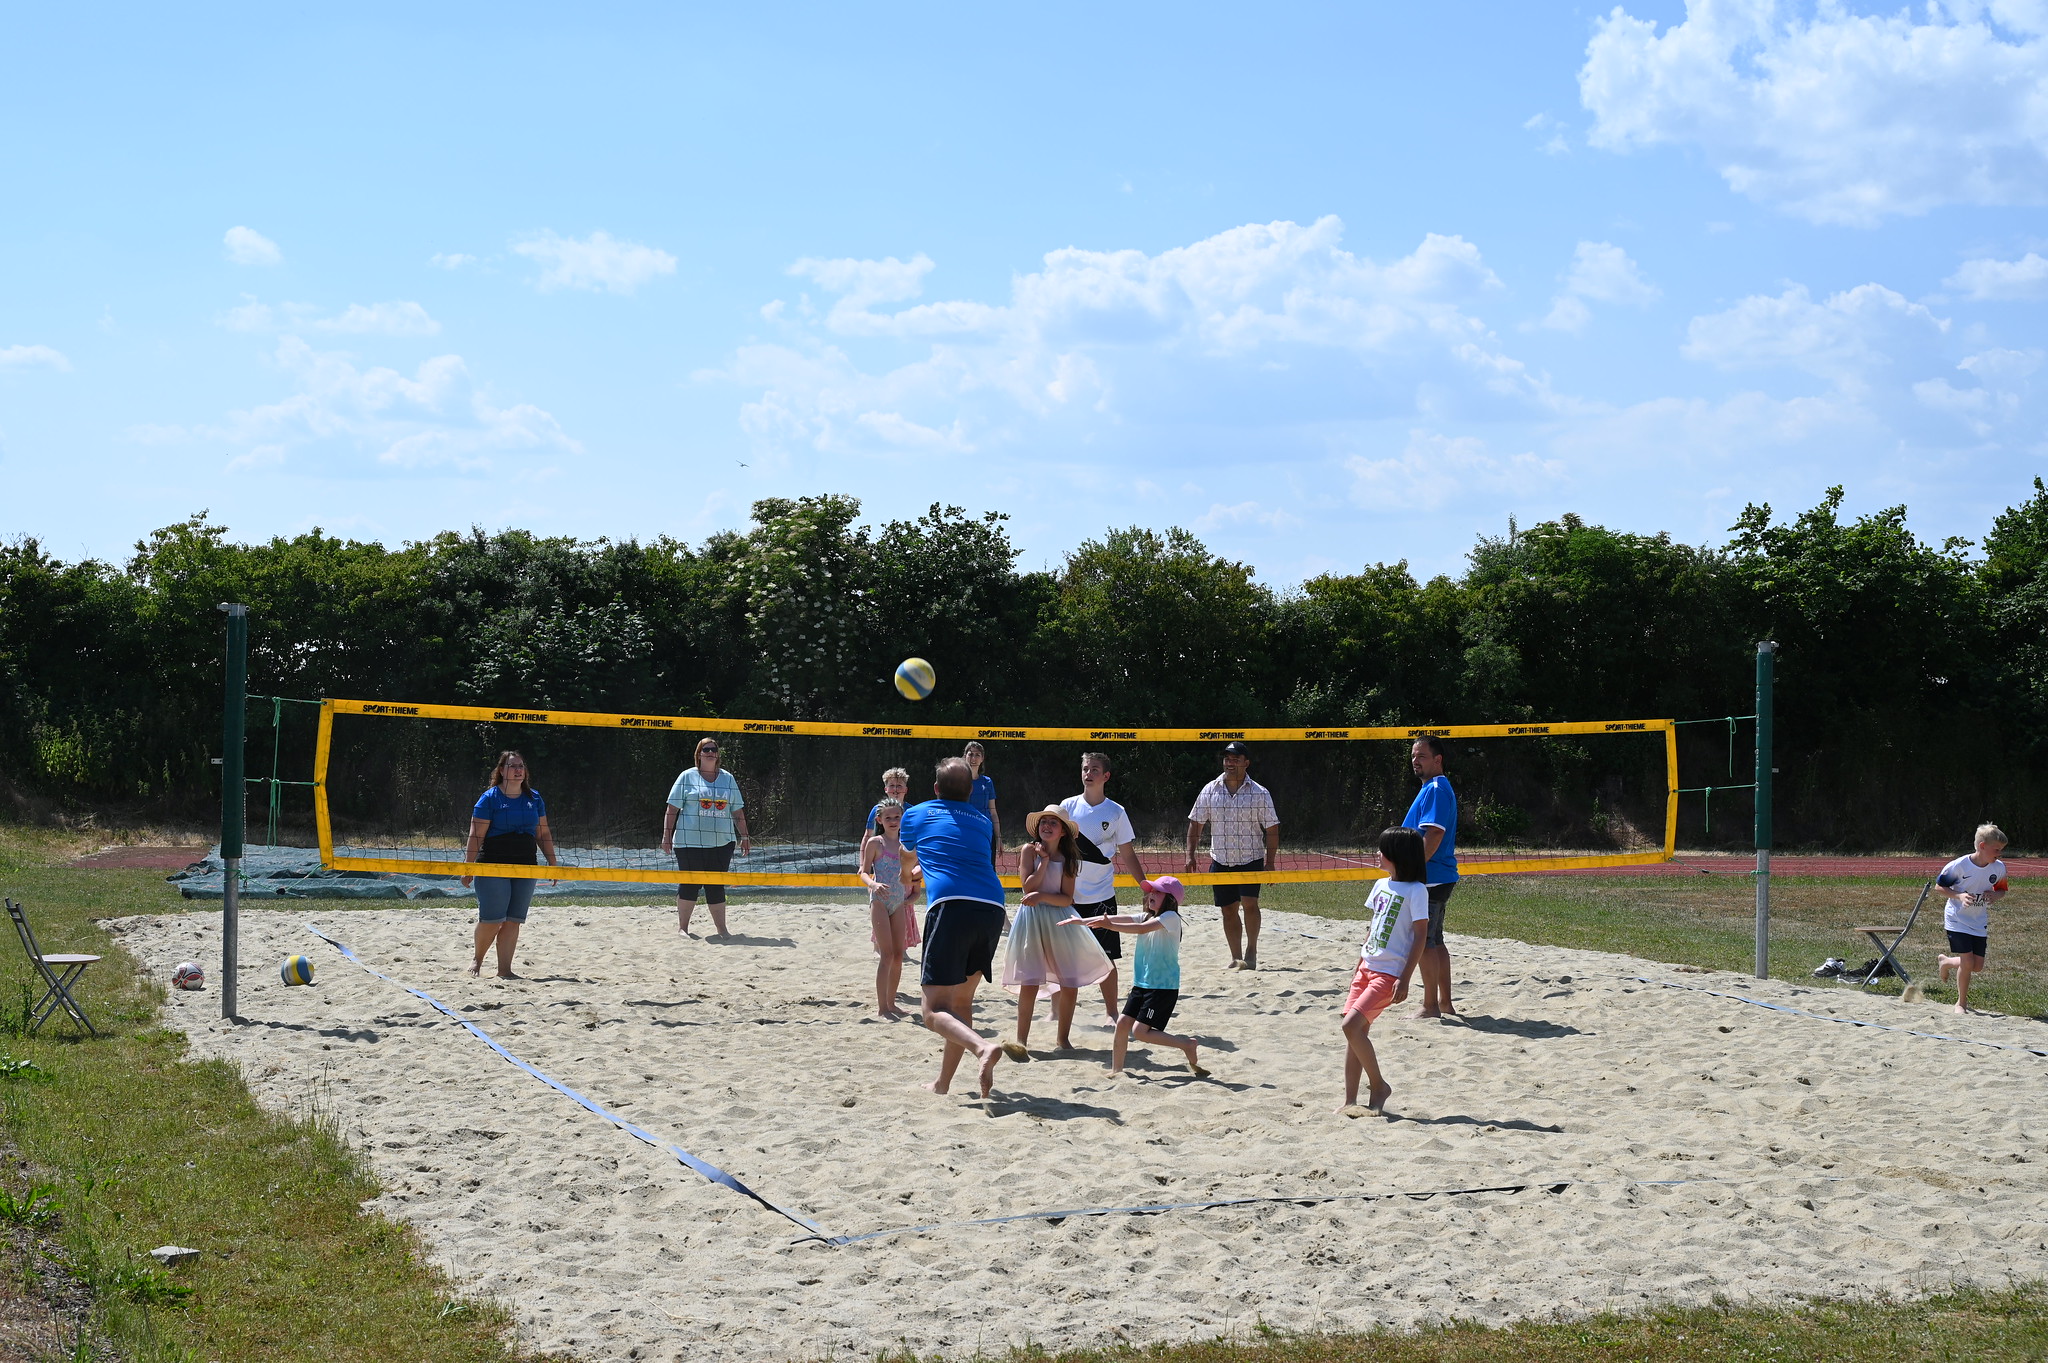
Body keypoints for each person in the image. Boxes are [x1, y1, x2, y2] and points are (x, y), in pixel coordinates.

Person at [899, 757, 1027, 1096]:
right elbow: (956, 853)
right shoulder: (983, 821)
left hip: (952, 908)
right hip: (992, 908)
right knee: (960, 1005)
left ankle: (982, 1048)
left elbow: (907, 854)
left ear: (936, 789)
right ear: (971, 792)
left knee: (931, 1011)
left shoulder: (916, 813)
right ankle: (943, 1084)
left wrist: (908, 878)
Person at [1064, 875, 1208, 1077]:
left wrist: (1108, 925)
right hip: (1142, 984)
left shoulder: (1171, 919)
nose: (1151, 894)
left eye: (1157, 892)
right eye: (1151, 890)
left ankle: (1186, 1044)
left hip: (1162, 987)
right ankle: (1117, 1071)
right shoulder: (1147, 916)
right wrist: (1081, 921)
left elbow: (1138, 929)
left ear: (1171, 899)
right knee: (1122, 1024)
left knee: (1140, 1031)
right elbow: (1114, 919)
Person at [1336, 827, 1431, 1115]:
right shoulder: (1380, 885)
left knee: (1350, 1027)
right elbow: (1373, 928)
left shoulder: (1416, 891)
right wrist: (1358, 964)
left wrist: (1406, 977)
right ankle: (1350, 1101)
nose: (1377, 853)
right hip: (1366, 968)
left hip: (1388, 975)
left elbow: (1420, 936)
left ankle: (1379, 1086)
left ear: (1396, 855)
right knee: (1355, 1033)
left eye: (1381, 849)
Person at [1003, 807, 1112, 1051]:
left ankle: (1063, 1039)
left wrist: (1042, 895)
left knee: (1069, 983)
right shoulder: (1029, 851)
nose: (1048, 826)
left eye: (1054, 822)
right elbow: (1027, 887)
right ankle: (1021, 1040)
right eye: (1044, 822)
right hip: (1031, 921)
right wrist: (1044, 862)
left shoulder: (1069, 859)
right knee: (1029, 981)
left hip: (1060, 920)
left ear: (1063, 831)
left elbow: (1066, 899)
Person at [1062, 752, 1149, 1029]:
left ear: (1106, 776)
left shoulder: (1116, 812)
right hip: (1069, 896)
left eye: (1095, 769)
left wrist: (1145, 886)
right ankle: (1058, 1013)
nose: (1089, 773)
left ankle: (1111, 1012)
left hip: (1101, 897)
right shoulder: (1067, 807)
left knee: (1106, 958)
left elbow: (1128, 854)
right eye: (1085, 768)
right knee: (1064, 960)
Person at [460, 750, 559, 979]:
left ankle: (505, 970)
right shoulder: (489, 798)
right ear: (501, 771)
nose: (518, 770)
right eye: (513, 766)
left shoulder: (534, 798)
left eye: (521, 766)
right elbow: (476, 836)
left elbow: (542, 833)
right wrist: (468, 867)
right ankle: (477, 959)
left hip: (525, 865)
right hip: (493, 864)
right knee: (492, 919)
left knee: (514, 919)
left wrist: (553, 864)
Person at [1185, 740, 1281, 970]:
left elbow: (1272, 829)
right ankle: (1236, 956)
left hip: (1251, 858)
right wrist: (1190, 854)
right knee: (1228, 909)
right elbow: (1196, 823)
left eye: (1236, 759)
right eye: (1227, 758)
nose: (1230, 762)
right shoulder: (1210, 789)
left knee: (1250, 903)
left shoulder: (1259, 792)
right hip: (1221, 859)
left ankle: (1252, 950)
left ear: (1246, 763)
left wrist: (1269, 863)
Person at [659, 737, 752, 938]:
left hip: (722, 843)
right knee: (690, 884)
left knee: (716, 885)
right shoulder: (687, 777)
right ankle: (683, 929)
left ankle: (722, 930)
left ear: (718, 754)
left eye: (713, 749)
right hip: (688, 842)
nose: (710, 752)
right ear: (698, 754)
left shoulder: (727, 778)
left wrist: (744, 836)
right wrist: (666, 836)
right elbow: (672, 809)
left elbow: (737, 811)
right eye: (706, 749)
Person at [1403, 736, 1459, 1019]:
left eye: (1422, 756)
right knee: (1435, 940)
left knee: (1425, 942)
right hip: (1438, 875)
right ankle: (1445, 1003)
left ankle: (1430, 1006)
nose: (1416, 760)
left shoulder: (1436, 788)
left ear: (1438, 760)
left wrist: (1413, 869)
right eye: (1414, 755)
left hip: (1431, 877)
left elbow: (1434, 833)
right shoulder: (1432, 787)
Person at [1935, 823, 2009, 1015]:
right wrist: (1958, 896)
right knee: (1968, 963)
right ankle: (1961, 1003)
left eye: (2001, 850)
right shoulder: (1959, 865)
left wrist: (1995, 896)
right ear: (1982, 846)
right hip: (1957, 919)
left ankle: (1946, 962)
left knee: (1977, 966)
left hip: (1978, 921)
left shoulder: (1998, 868)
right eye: (1997, 850)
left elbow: (2001, 890)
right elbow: (1939, 887)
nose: (2000, 854)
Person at [860, 798, 922, 1019]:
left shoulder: (908, 846)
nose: (894, 821)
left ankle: (891, 1003)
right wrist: (873, 884)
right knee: (886, 955)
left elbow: (915, 876)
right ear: (880, 820)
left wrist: (915, 893)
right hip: (879, 900)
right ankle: (882, 1008)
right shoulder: (875, 843)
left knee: (898, 956)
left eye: (897, 817)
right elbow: (863, 872)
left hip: (899, 903)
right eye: (888, 818)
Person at [964, 741, 1001, 860]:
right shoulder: (959, 781)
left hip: (985, 833)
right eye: (970, 754)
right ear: (965, 757)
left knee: (988, 871)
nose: (973, 758)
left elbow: (993, 812)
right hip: (965, 832)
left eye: (977, 755)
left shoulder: (987, 782)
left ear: (982, 758)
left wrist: (999, 838)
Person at [866, 767, 911, 834]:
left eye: (899, 786)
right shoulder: (877, 810)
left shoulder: (912, 811)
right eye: (892, 785)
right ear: (886, 789)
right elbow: (868, 835)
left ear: (906, 790)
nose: (895, 789)